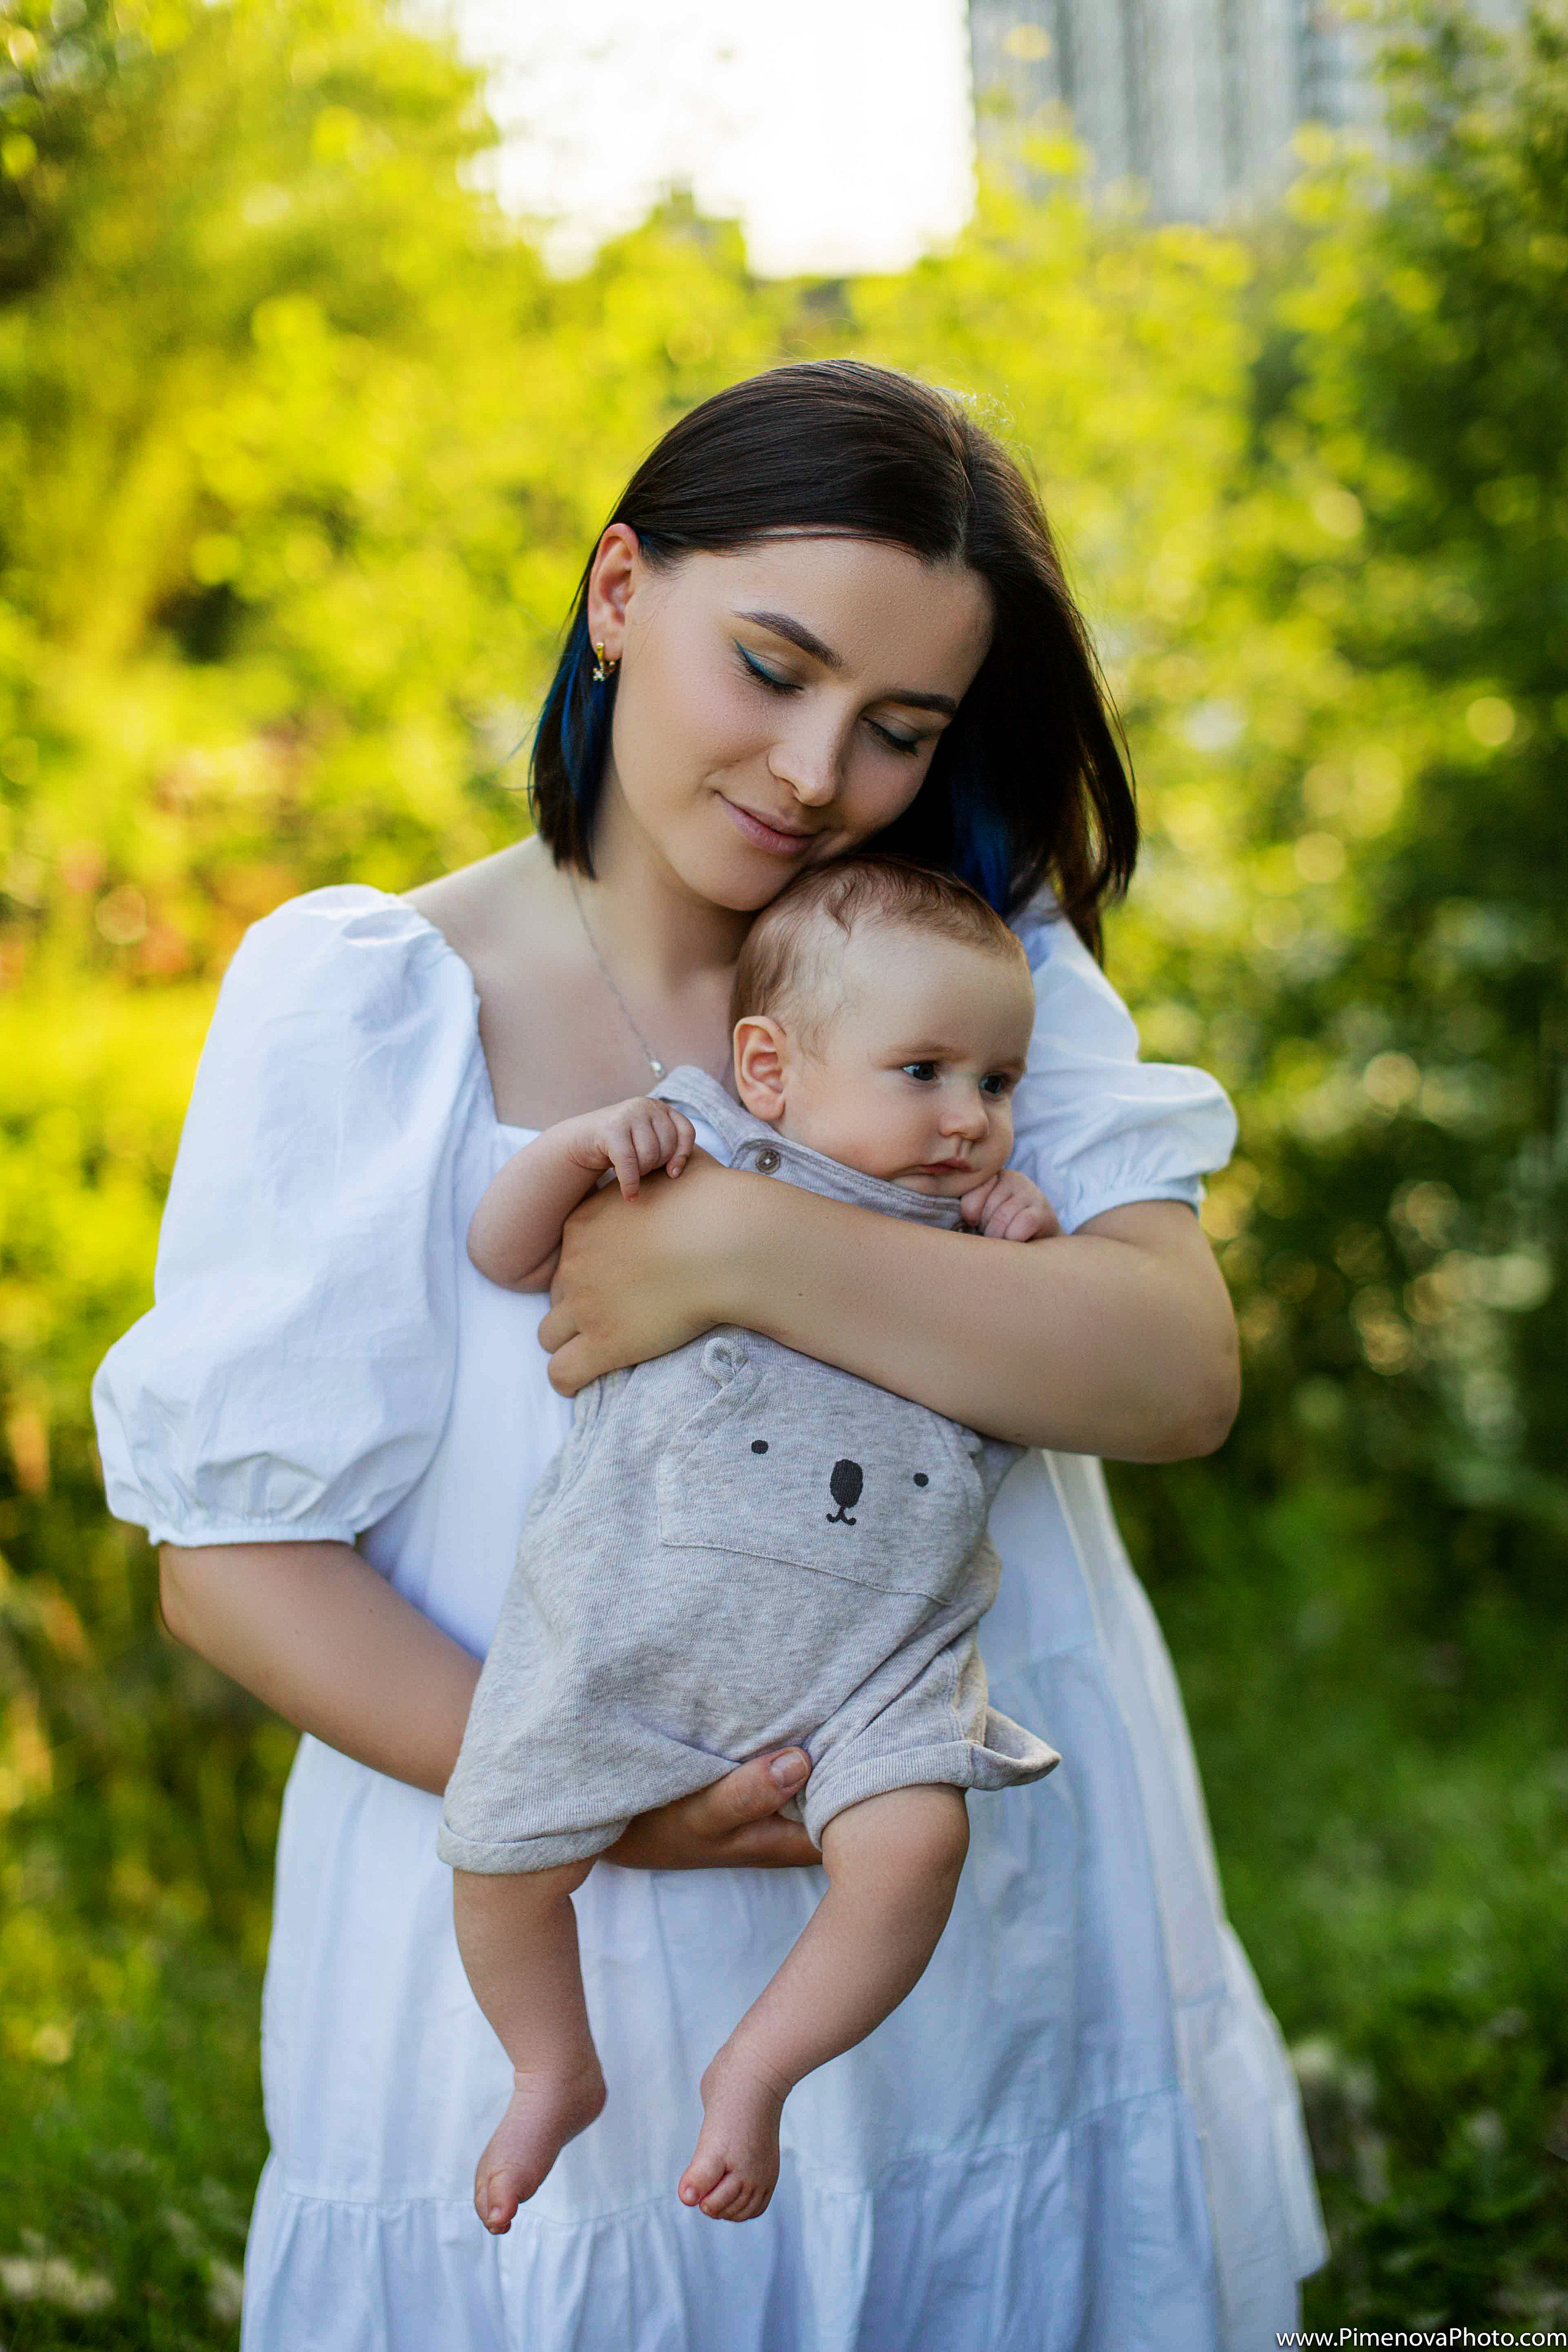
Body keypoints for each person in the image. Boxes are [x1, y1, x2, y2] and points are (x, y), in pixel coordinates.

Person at [92, 360, 1326, 2351]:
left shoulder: (974, 975)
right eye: (771, 665)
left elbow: (1169, 1374)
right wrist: (606, 1802)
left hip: (970, 1949)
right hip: (560, 1948)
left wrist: (750, 1248)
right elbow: (232, 1562)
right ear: (616, 595)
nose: (818, 769)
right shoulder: (374, 1002)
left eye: (898, 727)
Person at [443, 859, 1062, 2234]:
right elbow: (501, 1255)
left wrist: (1035, 1247)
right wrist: (572, 1152)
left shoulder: (974, 1239)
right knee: (494, 1857)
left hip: (878, 1658)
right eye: (923, 1071)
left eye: (999, 1083)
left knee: (913, 1847)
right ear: (770, 1068)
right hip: (630, 1620)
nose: (969, 1119)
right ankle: (551, 2064)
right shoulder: (695, 1155)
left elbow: (1051, 1372)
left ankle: (757, 2071)